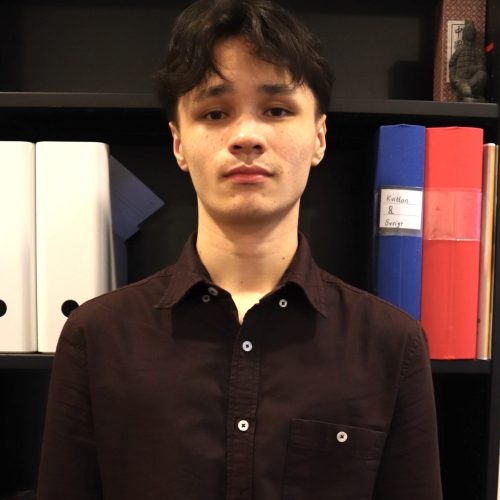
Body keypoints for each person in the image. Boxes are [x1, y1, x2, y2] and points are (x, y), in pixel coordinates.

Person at [37, 0, 443, 498]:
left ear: (319, 136)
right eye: (215, 113)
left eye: (277, 110)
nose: (246, 136)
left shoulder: (390, 345)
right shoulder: (97, 338)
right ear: (178, 143)